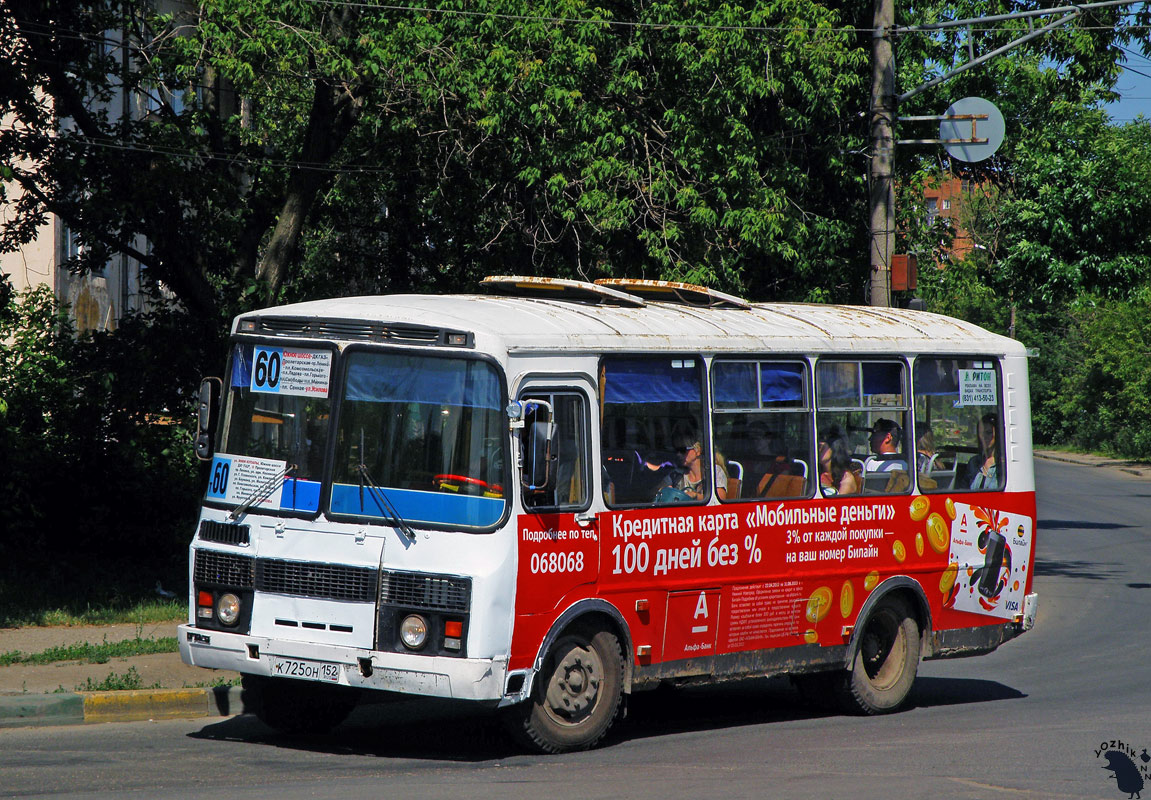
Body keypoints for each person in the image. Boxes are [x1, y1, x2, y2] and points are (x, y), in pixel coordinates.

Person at [672, 432, 728, 501]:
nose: (678, 454)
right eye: (676, 450)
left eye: (683, 450)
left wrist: (695, 496)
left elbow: (719, 499)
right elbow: (661, 489)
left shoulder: (714, 471)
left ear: (698, 451)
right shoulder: (677, 474)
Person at [966, 413, 999, 490]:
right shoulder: (973, 462)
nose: (984, 437)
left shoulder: (1003, 464)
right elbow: (964, 489)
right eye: (981, 432)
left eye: (988, 433)